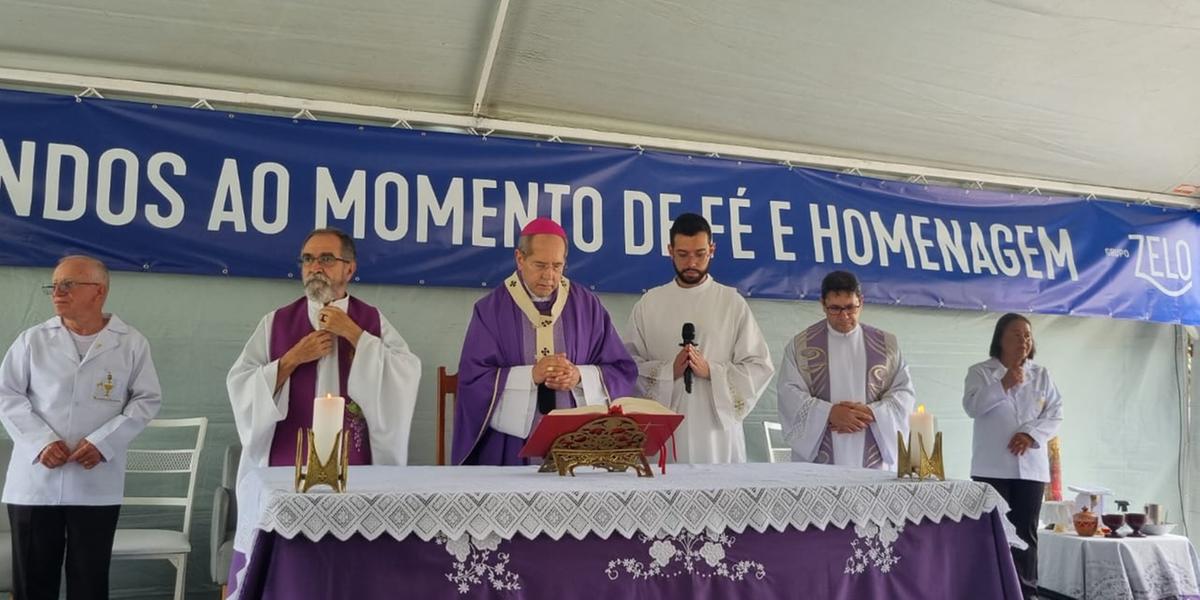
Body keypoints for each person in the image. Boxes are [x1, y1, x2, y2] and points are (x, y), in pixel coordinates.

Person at [225, 228, 421, 588]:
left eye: (327, 259)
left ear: (350, 268)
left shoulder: (371, 319)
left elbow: (406, 373)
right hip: (288, 467)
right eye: (308, 259)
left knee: (350, 568)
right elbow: (240, 383)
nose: (316, 267)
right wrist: (290, 360)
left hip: (355, 467)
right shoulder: (276, 323)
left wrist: (356, 336)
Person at [0, 255, 162, 600]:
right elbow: (7, 394)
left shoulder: (131, 343)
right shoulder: (33, 340)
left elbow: (146, 400)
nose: (57, 292)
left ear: (99, 291)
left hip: (96, 482)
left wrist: (105, 442)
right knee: (32, 583)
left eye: (68, 284)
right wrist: (40, 441)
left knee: (89, 582)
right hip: (36, 482)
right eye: (54, 285)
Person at [452, 217, 637, 465]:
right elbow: (473, 380)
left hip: (577, 445)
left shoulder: (587, 306)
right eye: (540, 265)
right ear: (520, 258)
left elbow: (621, 370)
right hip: (511, 447)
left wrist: (579, 376)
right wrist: (530, 376)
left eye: (557, 266)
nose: (549, 276)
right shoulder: (490, 311)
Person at [625, 213, 773, 463]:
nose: (691, 262)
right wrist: (666, 371)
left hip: (716, 433)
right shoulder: (649, 303)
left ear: (712, 249)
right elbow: (627, 366)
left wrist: (711, 371)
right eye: (683, 255)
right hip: (665, 430)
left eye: (700, 253)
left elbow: (759, 367)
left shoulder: (731, 302)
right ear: (670, 251)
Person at [963, 313, 1062, 600]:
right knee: (992, 535)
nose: (1024, 340)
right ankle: (992, 592)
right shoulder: (980, 372)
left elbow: (1056, 413)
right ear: (1000, 339)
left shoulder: (1042, 375)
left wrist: (1031, 434)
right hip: (991, 468)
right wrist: (1003, 383)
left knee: (1026, 535)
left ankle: (1026, 593)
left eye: (1028, 335)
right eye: (1016, 335)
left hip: (1031, 471)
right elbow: (972, 407)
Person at [776, 270, 915, 469]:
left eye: (850, 307)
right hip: (821, 453)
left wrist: (873, 412)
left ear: (861, 302)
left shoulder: (886, 346)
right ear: (823, 304)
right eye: (835, 308)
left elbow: (904, 391)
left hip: (871, 445)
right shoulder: (801, 346)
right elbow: (788, 393)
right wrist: (828, 413)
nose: (844, 316)